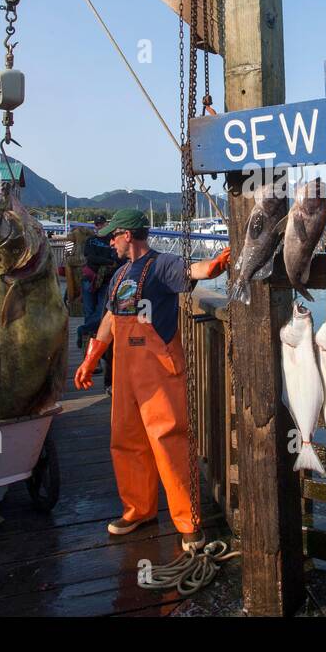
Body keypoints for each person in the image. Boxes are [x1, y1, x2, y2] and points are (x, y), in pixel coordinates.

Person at [73, 209, 229, 550]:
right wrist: (90, 358)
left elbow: (194, 270)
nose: (110, 240)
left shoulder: (162, 265)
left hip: (159, 369)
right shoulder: (118, 276)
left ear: (128, 235)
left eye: (114, 235)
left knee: (169, 440)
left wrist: (216, 265)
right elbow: (111, 319)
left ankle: (188, 523)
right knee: (125, 440)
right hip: (125, 373)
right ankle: (137, 510)